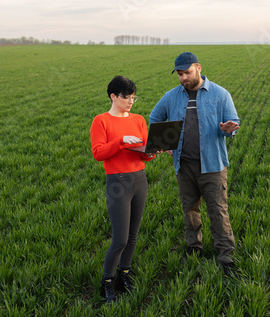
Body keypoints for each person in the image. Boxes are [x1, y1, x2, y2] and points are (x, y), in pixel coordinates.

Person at [149, 52, 240, 277]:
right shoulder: (171, 97)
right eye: (179, 74)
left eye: (187, 72)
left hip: (212, 165)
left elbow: (234, 121)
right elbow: (154, 118)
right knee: (189, 208)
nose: (183, 78)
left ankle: (225, 256)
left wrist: (230, 128)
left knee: (218, 210)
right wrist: (166, 144)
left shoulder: (220, 94)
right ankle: (194, 248)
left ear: (198, 67)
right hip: (184, 164)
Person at [90, 76, 155, 303]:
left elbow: (145, 153)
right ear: (113, 97)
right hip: (117, 182)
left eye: (133, 97)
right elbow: (98, 153)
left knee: (134, 235)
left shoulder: (138, 119)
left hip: (139, 179)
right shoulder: (101, 121)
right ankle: (107, 281)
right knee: (120, 238)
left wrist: (154, 150)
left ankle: (124, 274)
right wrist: (121, 141)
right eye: (126, 97)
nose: (130, 101)